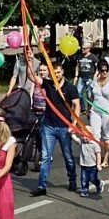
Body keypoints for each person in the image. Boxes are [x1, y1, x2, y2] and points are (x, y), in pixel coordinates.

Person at [29, 66, 80, 197]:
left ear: (62, 72)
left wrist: (74, 124)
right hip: (48, 126)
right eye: (53, 73)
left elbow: (77, 105)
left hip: (64, 127)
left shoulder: (70, 88)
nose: (56, 75)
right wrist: (28, 60)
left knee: (68, 156)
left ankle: (72, 179)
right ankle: (42, 186)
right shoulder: (48, 84)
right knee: (45, 157)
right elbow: (32, 77)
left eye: (58, 72)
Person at [89, 63, 109, 168]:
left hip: (107, 111)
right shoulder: (94, 82)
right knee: (95, 135)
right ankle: (96, 157)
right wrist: (89, 109)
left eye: (106, 70)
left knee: (107, 135)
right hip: (95, 110)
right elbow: (92, 97)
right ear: (98, 71)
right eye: (102, 70)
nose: (104, 72)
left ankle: (106, 158)